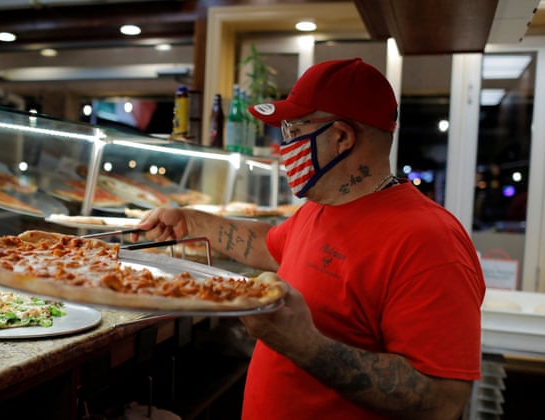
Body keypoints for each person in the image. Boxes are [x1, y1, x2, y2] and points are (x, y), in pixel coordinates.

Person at [134, 58, 485, 419]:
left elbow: (443, 401)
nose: (284, 145)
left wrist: (303, 343)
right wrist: (191, 221)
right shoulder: (321, 207)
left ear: (341, 138)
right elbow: (268, 245)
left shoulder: (430, 241)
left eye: (293, 130)